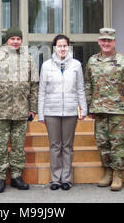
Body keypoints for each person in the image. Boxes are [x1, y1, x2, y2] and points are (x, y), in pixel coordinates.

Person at [0, 27, 39, 193]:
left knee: (18, 146)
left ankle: (16, 176)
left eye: (18, 39)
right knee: (0, 145)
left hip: (21, 110)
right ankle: (0, 177)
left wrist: (33, 108)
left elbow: (34, 85)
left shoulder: (28, 59)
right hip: (0, 111)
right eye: (12, 38)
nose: (15, 41)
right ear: (7, 40)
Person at [84, 28, 124, 191]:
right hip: (99, 110)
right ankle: (107, 172)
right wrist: (89, 105)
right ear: (99, 42)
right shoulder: (92, 61)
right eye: (103, 40)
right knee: (103, 144)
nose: (106, 43)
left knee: (118, 144)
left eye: (109, 40)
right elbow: (88, 84)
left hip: (119, 111)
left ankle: (118, 174)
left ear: (114, 42)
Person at [38, 35, 87, 191]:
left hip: (70, 111)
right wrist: (41, 113)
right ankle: (55, 179)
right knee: (54, 146)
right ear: (54, 48)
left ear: (69, 47)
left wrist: (83, 108)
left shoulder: (76, 65)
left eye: (65, 46)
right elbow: (41, 91)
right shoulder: (46, 66)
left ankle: (66, 178)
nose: (62, 48)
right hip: (51, 111)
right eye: (59, 46)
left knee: (67, 146)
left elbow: (80, 88)